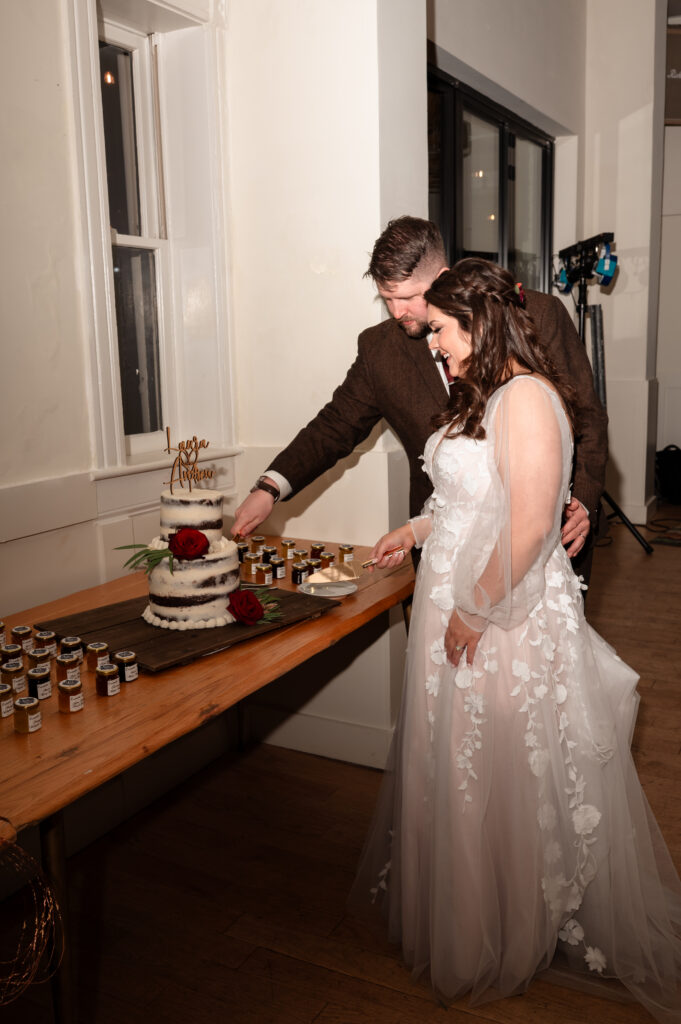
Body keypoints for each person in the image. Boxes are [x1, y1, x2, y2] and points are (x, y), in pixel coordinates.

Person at [350, 260, 681, 1020]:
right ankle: (471, 905)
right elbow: (472, 503)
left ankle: (508, 916)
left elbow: (529, 525)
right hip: (457, 599)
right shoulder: (484, 398)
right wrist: (414, 528)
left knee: (499, 760)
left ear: (476, 323)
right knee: (461, 759)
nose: (432, 343)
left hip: (499, 613)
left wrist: (474, 609)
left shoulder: (528, 398)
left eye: (438, 328)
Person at [231, 216, 608, 584]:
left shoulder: (538, 315)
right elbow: (334, 426)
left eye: (409, 296)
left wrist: (584, 500)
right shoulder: (379, 350)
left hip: (542, 540)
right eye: (386, 298)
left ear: (442, 278)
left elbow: (585, 414)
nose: (398, 312)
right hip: (445, 545)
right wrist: (269, 488)